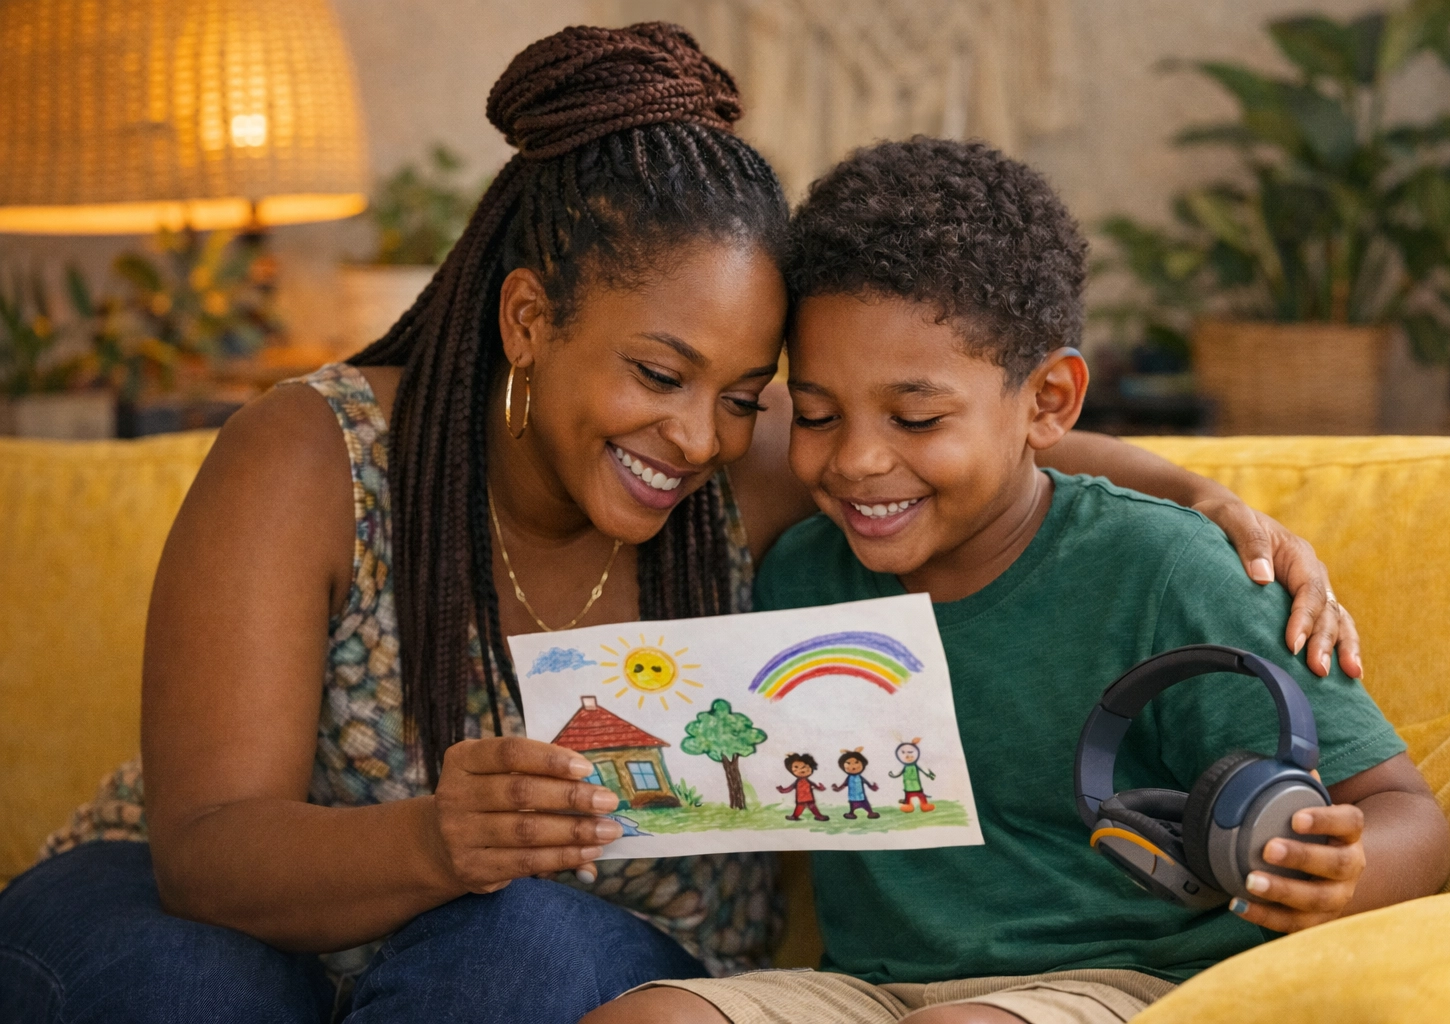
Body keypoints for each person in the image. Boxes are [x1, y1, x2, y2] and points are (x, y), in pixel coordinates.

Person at [0, 26, 1361, 1024]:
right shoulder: (314, 454)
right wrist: (431, 841)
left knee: (519, 947)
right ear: (529, 319)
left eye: (747, 397)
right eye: (658, 375)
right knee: (192, 984)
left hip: (548, 965)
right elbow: (207, 848)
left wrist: (1206, 497)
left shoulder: (759, 468)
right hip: (227, 925)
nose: (701, 439)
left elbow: (980, 449)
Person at [584, 139, 1450, 1024]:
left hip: (1118, 983)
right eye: (815, 413)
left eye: (916, 417)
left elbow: (1403, 811)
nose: (855, 460)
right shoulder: (799, 573)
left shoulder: (1166, 571)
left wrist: (1340, 873)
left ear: (1048, 402)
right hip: (864, 991)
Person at [778, 754, 830, 821]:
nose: (800, 770)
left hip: (809, 798)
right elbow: (790, 788)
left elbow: (815, 786)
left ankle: (819, 816)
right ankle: (794, 816)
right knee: (799, 808)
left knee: (812, 807)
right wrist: (782, 790)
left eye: (804, 767)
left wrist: (821, 788)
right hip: (801, 799)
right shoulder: (797, 782)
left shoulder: (808, 781)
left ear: (811, 768)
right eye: (796, 768)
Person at [890, 740, 935, 812]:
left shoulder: (917, 764)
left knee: (920, 794)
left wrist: (929, 774)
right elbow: (898, 771)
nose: (909, 758)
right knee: (908, 795)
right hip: (907, 785)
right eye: (907, 757)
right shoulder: (903, 766)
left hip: (916, 784)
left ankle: (924, 804)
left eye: (911, 756)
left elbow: (924, 769)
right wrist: (893, 774)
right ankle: (908, 805)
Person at [834, 749, 879, 819]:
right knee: (852, 805)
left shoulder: (860, 778)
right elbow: (844, 784)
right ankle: (851, 813)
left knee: (866, 804)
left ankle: (870, 813)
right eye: (848, 763)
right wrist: (838, 788)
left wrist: (872, 787)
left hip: (861, 796)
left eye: (856, 762)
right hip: (852, 796)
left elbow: (867, 783)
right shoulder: (849, 778)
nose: (853, 766)